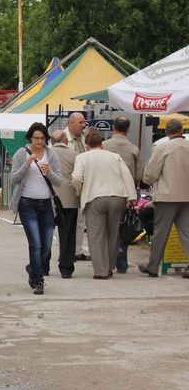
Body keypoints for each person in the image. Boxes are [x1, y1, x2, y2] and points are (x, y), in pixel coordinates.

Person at [72, 129, 136, 279]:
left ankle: (101, 270)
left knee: (95, 236)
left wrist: (79, 191)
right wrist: (131, 197)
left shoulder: (82, 157)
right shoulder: (115, 157)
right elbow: (126, 176)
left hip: (94, 198)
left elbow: (76, 178)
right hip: (117, 197)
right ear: (102, 144)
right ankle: (110, 265)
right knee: (113, 234)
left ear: (86, 145)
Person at [10, 123, 63, 295]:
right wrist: (26, 165)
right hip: (27, 204)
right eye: (36, 138)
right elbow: (13, 179)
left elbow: (59, 181)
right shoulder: (21, 153)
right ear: (30, 138)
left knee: (47, 245)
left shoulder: (50, 154)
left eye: (42, 138)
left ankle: (33, 268)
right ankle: (38, 280)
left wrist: (49, 173)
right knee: (36, 244)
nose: (39, 141)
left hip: (46, 204)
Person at [138, 118, 189, 277]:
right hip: (186, 196)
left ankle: (153, 267)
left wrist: (146, 179)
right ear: (182, 130)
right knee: (187, 232)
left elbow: (151, 174)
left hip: (166, 197)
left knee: (161, 232)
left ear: (167, 132)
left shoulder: (162, 147)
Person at [102, 116, 142, 273]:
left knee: (106, 228)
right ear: (128, 129)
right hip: (125, 194)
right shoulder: (134, 149)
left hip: (104, 190)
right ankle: (122, 262)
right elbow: (139, 175)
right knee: (123, 227)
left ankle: (106, 260)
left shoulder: (104, 146)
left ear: (113, 128)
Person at [50, 130, 80, 278]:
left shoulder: (47, 153)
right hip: (69, 198)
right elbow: (78, 177)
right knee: (68, 234)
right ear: (66, 141)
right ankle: (66, 267)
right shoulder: (74, 155)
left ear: (51, 141)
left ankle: (42, 265)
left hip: (48, 197)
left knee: (45, 233)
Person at [65, 112, 89, 261]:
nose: (83, 125)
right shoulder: (62, 138)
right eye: (80, 122)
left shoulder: (84, 138)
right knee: (66, 221)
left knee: (80, 220)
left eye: (84, 122)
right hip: (68, 184)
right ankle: (66, 251)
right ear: (71, 123)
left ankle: (77, 251)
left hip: (83, 184)